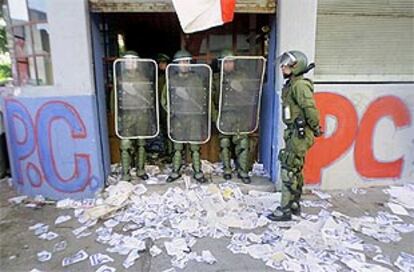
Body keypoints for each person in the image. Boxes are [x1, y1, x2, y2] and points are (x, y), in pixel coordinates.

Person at [268, 50, 322, 221]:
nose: (283, 67)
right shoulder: (292, 84)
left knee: (288, 169)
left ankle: (285, 209)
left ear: (296, 66)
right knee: (295, 168)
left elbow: (310, 109)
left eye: (286, 64)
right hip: (294, 132)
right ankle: (294, 204)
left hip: (299, 132)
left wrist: (315, 127)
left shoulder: (300, 85)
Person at [213, 49, 265, 184]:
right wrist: (215, 117)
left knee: (242, 144)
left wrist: (241, 89)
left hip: (240, 115)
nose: (228, 65)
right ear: (221, 64)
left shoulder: (243, 77)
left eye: (231, 62)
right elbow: (210, 101)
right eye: (226, 62)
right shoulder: (216, 79)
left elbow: (252, 97)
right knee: (224, 143)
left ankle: (243, 171)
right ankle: (227, 169)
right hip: (224, 115)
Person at [161, 49, 211, 183]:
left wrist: (191, 99)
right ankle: (176, 171)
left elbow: (203, 98)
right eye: (182, 62)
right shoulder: (171, 81)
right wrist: (171, 111)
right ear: (176, 64)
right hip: (178, 118)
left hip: (194, 117)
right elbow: (164, 99)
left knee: (195, 147)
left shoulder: (197, 79)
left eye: (187, 61)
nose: (185, 64)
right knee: (177, 147)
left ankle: (198, 171)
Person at [115, 51, 158, 181]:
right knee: (125, 144)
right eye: (128, 60)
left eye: (134, 60)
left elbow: (150, 99)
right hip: (127, 116)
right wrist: (116, 115)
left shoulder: (143, 79)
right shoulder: (120, 79)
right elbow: (115, 99)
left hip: (142, 116)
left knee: (141, 144)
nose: (131, 62)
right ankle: (126, 172)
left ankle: (140, 169)